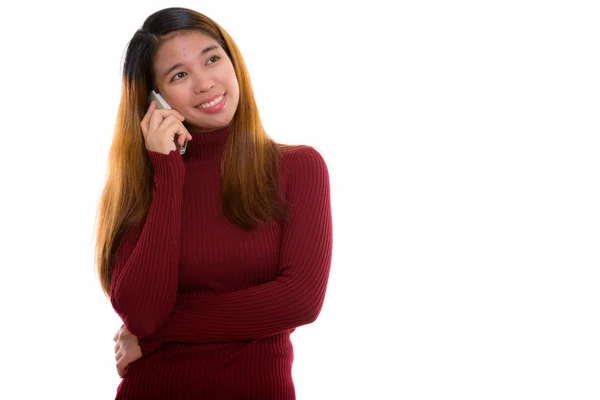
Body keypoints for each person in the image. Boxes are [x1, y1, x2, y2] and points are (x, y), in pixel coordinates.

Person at [93, 6, 333, 400]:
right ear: (155, 99)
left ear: (232, 61)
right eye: (180, 75)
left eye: (212, 59)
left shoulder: (298, 167)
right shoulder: (143, 184)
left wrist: (158, 337)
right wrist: (167, 173)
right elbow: (142, 314)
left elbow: (298, 301)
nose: (205, 83)